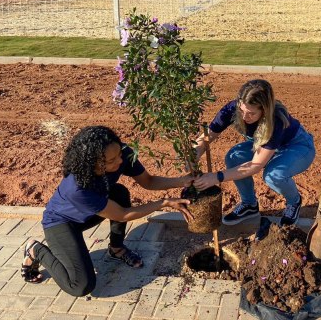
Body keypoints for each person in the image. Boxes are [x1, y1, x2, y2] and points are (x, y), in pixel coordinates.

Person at [20, 125, 193, 297]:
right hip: (61, 223)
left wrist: (182, 181)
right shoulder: (76, 187)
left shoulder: (121, 152)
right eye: (110, 161)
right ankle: (36, 250)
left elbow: (148, 181)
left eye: (118, 155)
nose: (119, 161)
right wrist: (164, 203)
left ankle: (116, 249)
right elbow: (122, 214)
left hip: (91, 211)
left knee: (119, 193)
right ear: (91, 163)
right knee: (80, 286)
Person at [193, 79, 315, 227]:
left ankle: (294, 201)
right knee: (234, 157)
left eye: (251, 113)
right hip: (265, 145)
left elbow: (256, 165)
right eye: (242, 110)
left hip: (297, 146)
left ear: (264, 110)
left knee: (273, 175)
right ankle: (249, 205)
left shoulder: (276, 120)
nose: (244, 117)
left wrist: (217, 177)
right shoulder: (233, 108)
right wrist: (193, 155)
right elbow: (208, 135)